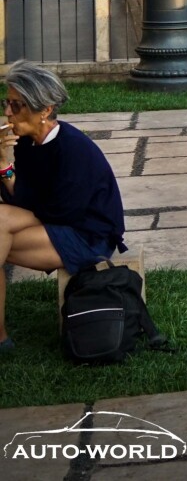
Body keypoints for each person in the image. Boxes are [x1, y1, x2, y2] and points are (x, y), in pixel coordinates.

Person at [0, 61, 127, 352]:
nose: (7, 112)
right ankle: (0, 338)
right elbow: (20, 197)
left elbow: (61, 211)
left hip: (87, 235)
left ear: (44, 109)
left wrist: (6, 172)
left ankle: (1, 339)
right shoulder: (29, 144)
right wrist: (2, 163)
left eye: (17, 105)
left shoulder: (73, 149)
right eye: (6, 103)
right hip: (54, 222)